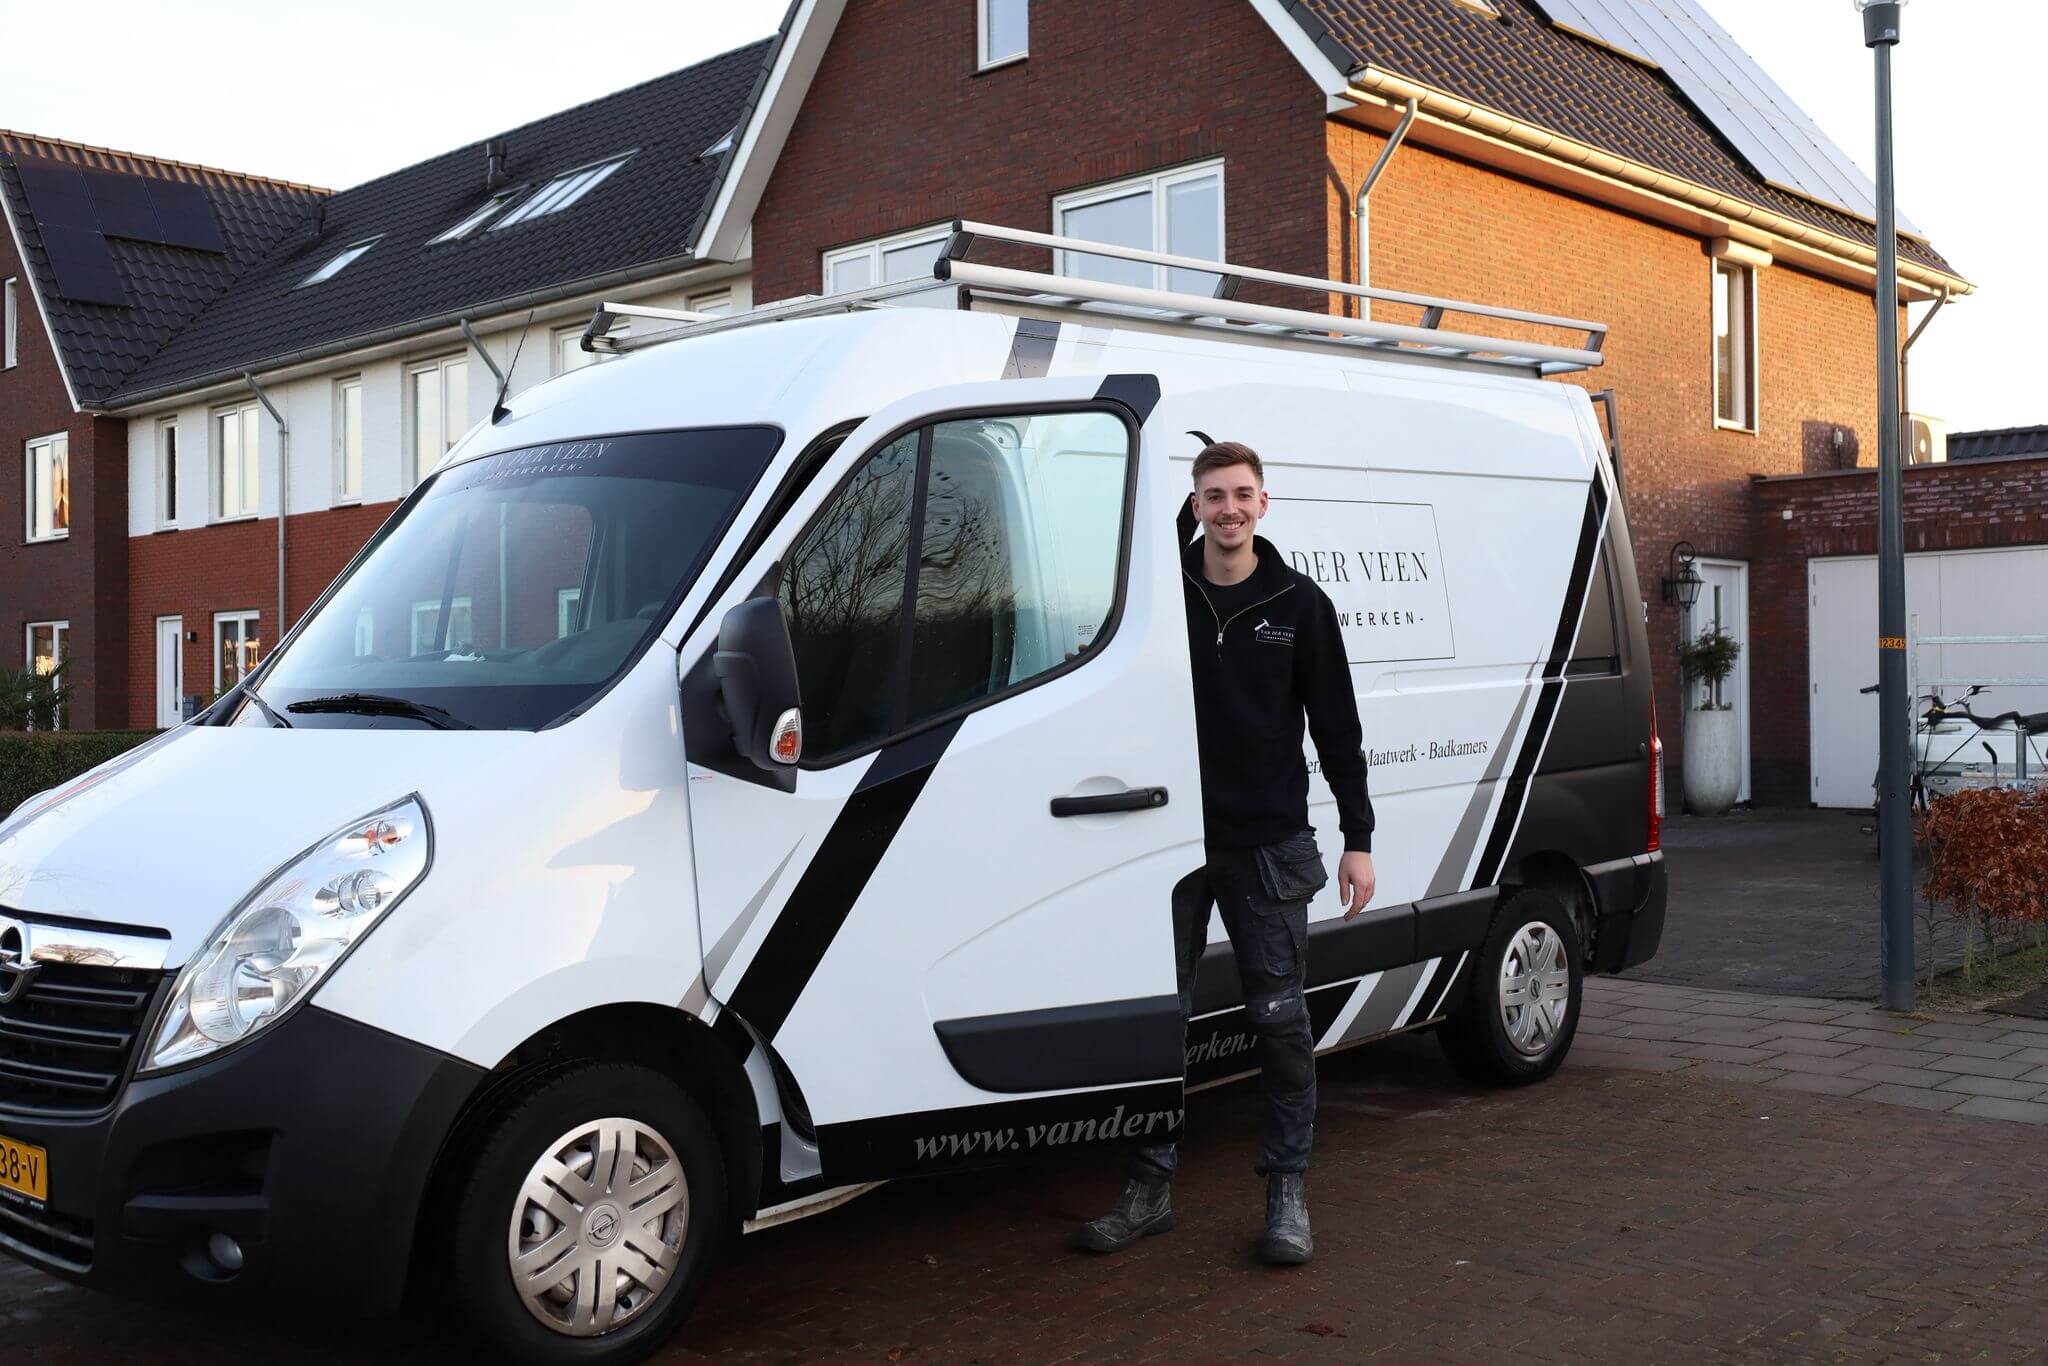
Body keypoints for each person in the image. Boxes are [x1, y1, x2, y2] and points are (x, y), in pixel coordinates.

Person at [1079, 440, 1375, 1266]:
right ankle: (1148, 1189)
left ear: (1263, 503)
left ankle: (1286, 1193)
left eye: (1242, 494)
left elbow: (1338, 729)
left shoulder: (1299, 604)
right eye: (1214, 496)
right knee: (1155, 1023)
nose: (1230, 509)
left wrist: (1358, 839)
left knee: (1279, 1021)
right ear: (1197, 507)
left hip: (1267, 844)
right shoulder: (1155, 600)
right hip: (1163, 842)